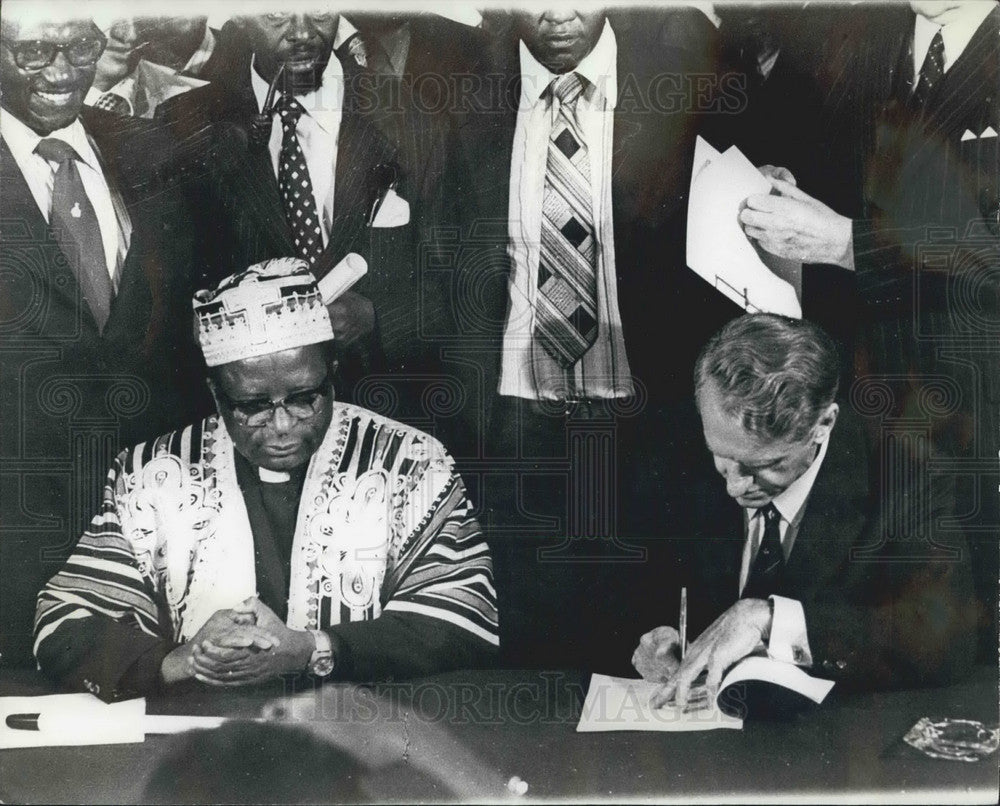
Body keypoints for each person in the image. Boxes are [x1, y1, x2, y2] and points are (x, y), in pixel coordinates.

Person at [34, 259, 499, 702]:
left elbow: (462, 616)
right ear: (217, 395)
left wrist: (313, 649)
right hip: (198, 746)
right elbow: (64, 621)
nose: (281, 425)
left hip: (360, 736)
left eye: (304, 398)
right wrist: (181, 660)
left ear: (332, 377)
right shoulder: (157, 471)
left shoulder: (409, 461)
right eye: (253, 405)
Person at [451, 6, 740, 670]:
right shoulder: (463, 89)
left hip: (649, 432)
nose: (559, 15)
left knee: (648, 661)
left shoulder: (685, 77)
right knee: (530, 671)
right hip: (517, 434)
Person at [736, 0, 999, 656]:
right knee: (858, 643)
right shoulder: (861, 33)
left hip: (974, 426)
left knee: (958, 650)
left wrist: (851, 244)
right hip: (863, 409)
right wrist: (784, 188)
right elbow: (827, 172)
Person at [0, 8, 207, 668]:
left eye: (80, 46)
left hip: (158, 528)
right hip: (19, 536)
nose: (61, 72)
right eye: (33, 52)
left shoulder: (153, 150)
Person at [632, 314, 977, 708]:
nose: (734, 485)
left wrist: (768, 619)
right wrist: (654, 639)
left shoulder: (906, 475)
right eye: (723, 458)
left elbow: (946, 642)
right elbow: (628, 591)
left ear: (823, 423)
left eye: (766, 464)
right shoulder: (674, 445)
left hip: (831, 746)